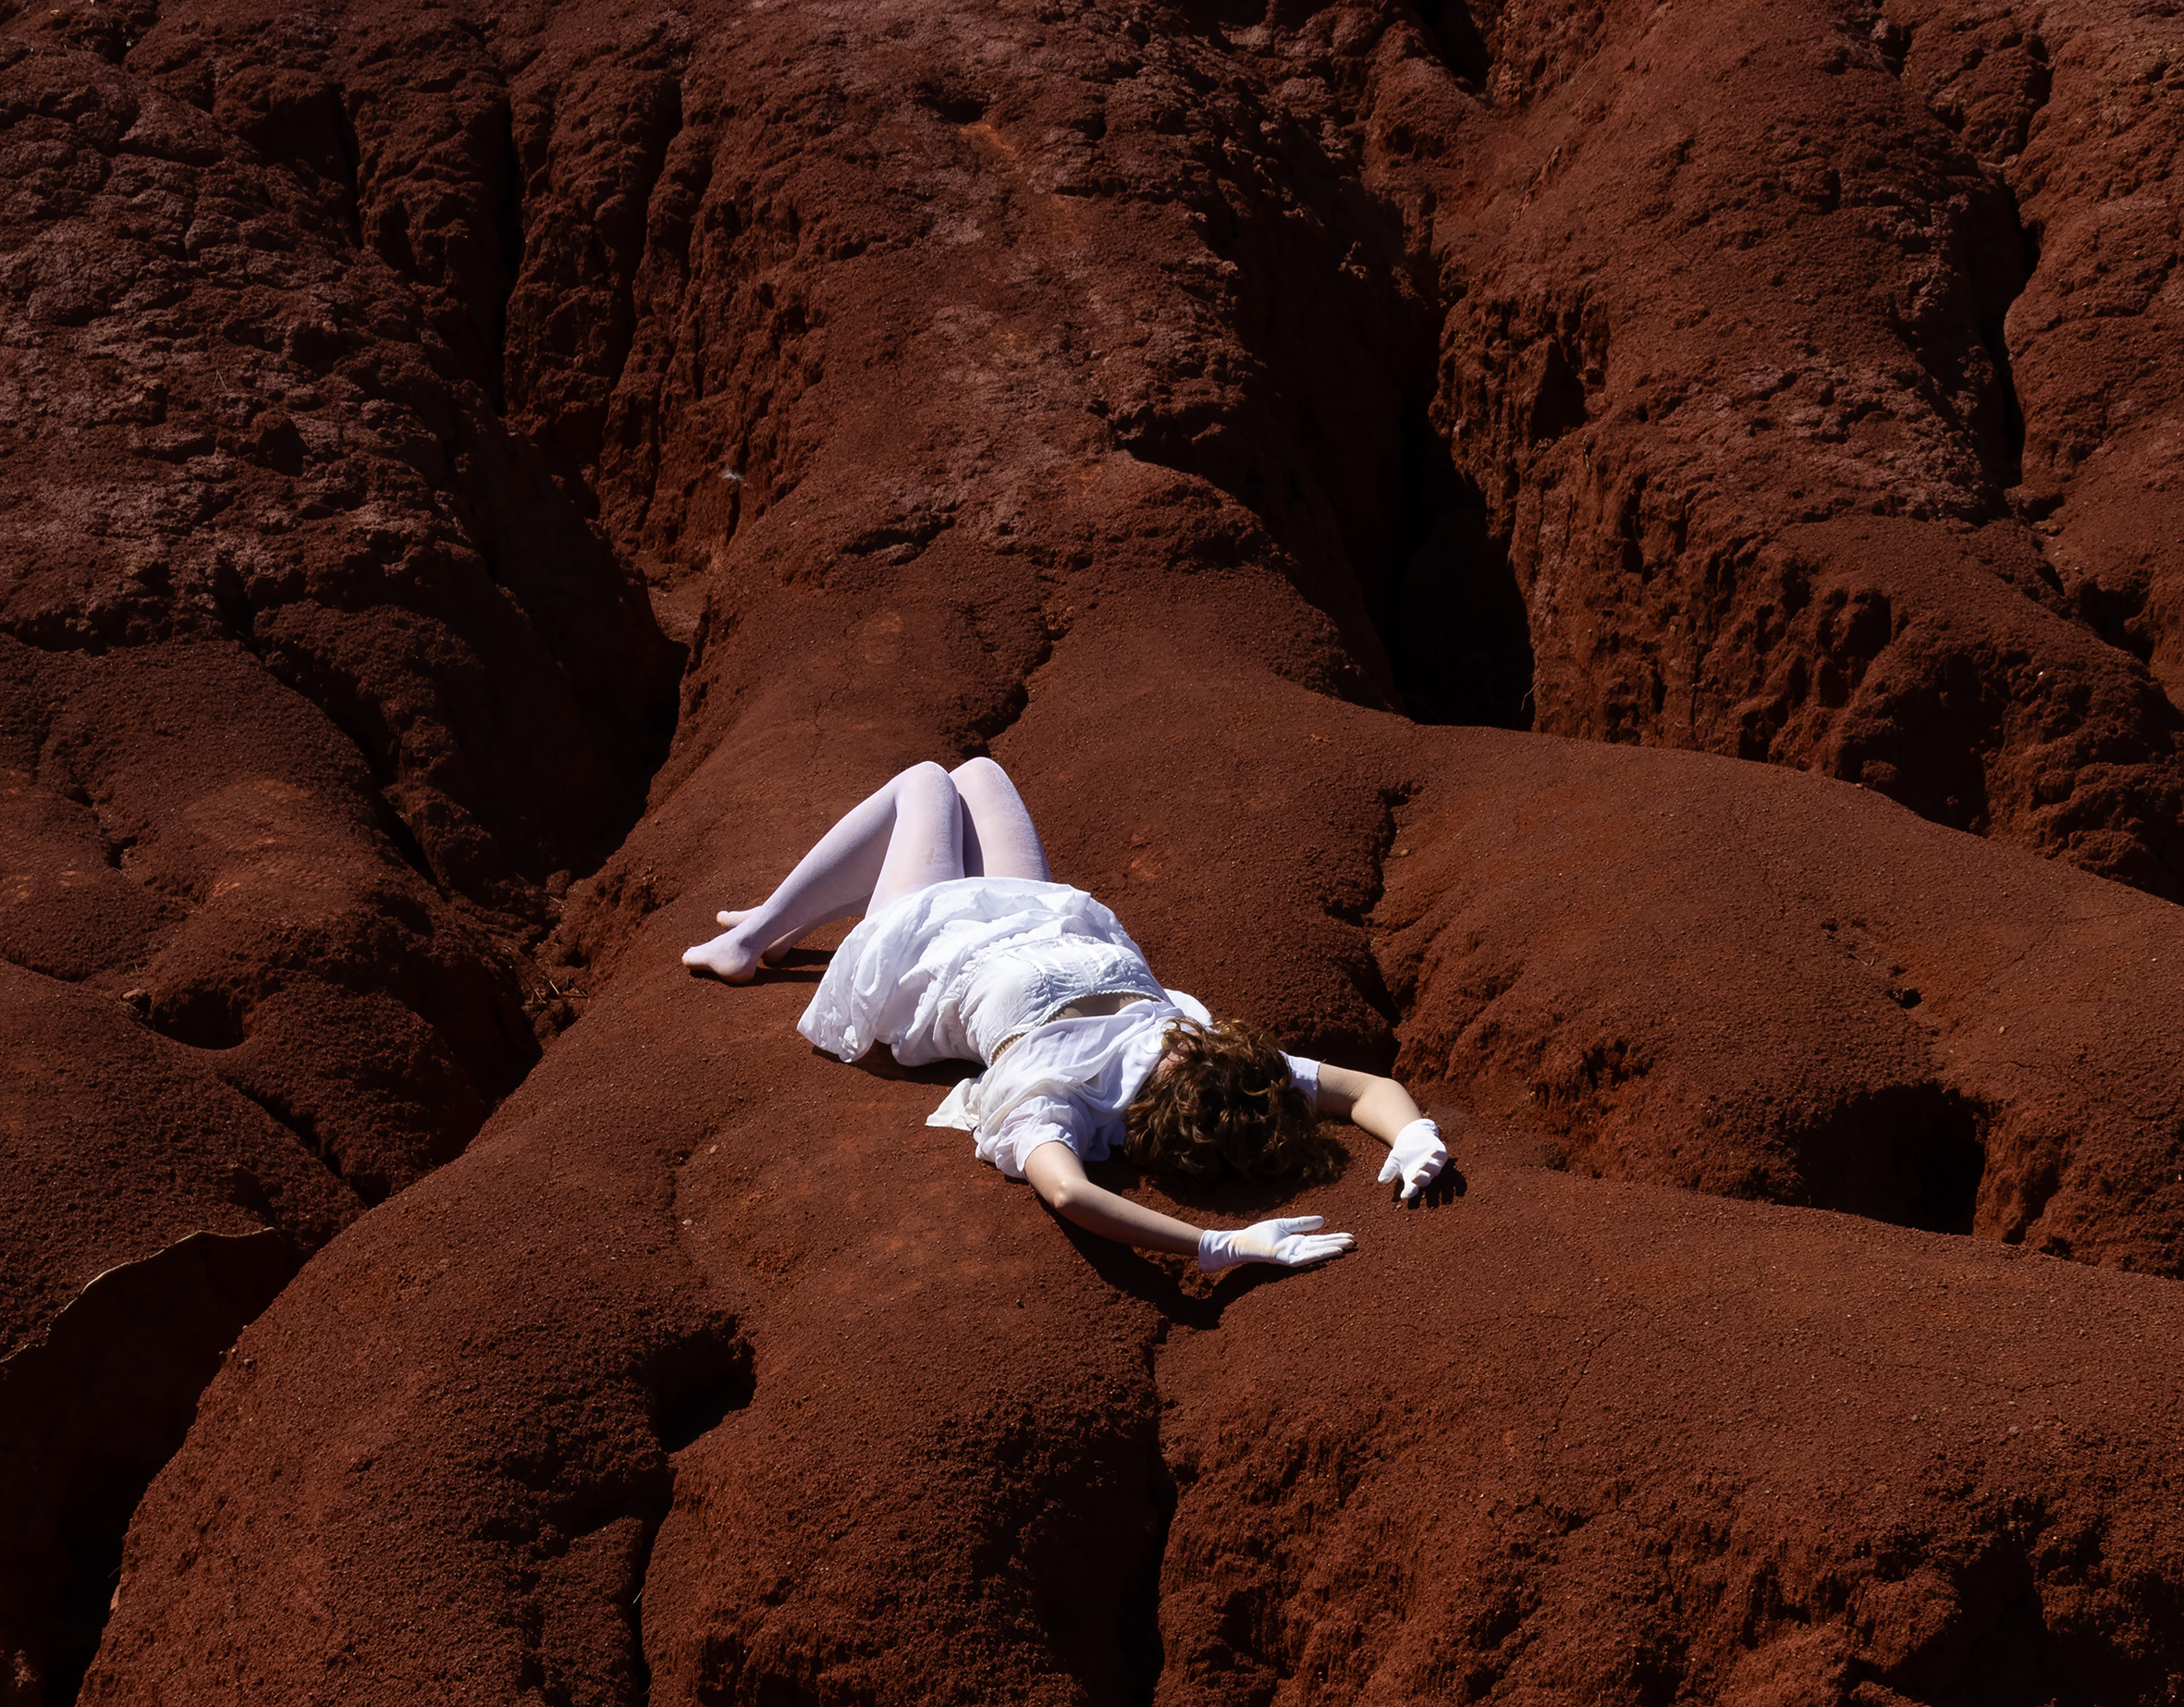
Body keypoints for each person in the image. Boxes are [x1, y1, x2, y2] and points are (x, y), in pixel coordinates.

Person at [682, 759, 1449, 1273]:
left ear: (1172, 1090)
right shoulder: (1220, 1067)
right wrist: (1415, 1134)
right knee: (977, 773)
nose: (1198, 1037)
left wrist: (1217, 1246)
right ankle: (788, 911)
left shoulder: (1060, 1095)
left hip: (930, 945)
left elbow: (1070, 1194)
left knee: (925, 783)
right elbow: (1364, 1089)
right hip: (1041, 915)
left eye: (1191, 1053)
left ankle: (753, 938)